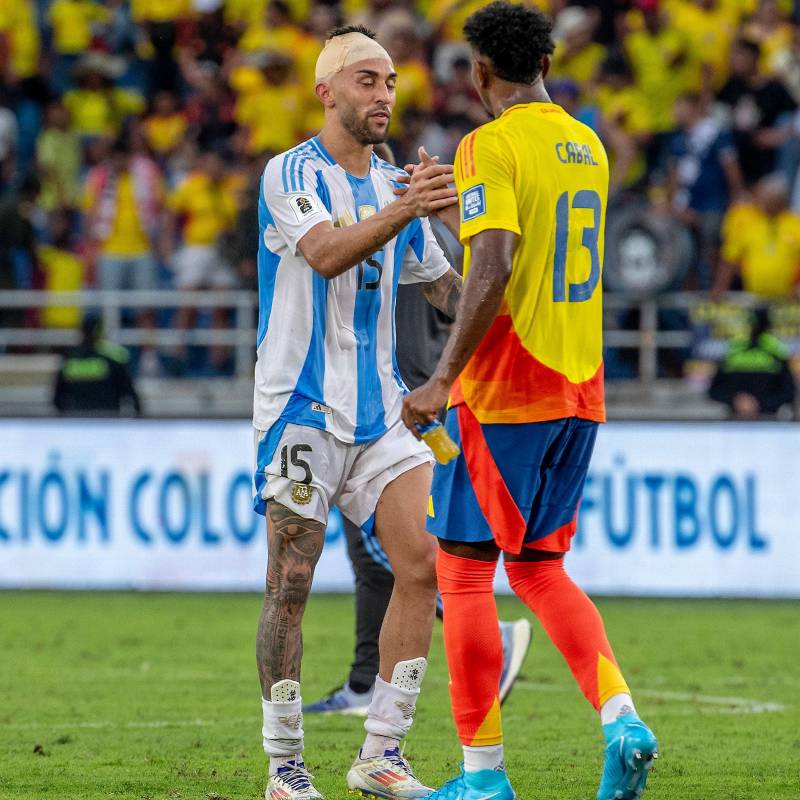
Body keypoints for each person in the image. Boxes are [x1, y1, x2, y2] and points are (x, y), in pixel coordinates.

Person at [401, 4, 659, 800]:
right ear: (543, 63)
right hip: (579, 386)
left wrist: (443, 377)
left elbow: (496, 266)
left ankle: (482, 779)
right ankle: (624, 721)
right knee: (542, 569)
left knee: (466, 573)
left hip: (507, 392)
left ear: (480, 72)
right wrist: (454, 209)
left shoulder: (490, 143)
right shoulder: (587, 145)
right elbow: (529, 241)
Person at [252, 24, 464, 800]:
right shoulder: (290, 173)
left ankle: (382, 753)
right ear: (328, 91)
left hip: (380, 416)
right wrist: (409, 208)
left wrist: (469, 231)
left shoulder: (393, 186)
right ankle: (285, 766)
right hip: (301, 411)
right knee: (293, 582)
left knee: (422, 566)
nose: (384, 95)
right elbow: (328, 252)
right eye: (368, 80)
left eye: (391, 82)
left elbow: (445, 289)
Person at [709, 307, 796, 418]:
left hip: (767, 418)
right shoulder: (735, 349)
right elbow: (714, 390)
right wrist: (737, 400)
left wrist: (757, 404)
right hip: (738, 418)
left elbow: (788, 392)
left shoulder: (776, 351)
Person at [53, 314, 141, 415]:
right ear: (100, 334)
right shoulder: (113, 360)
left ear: (82, 333)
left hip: (77, 422)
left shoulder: (69, 360)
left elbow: (57, 399)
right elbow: (130, 394)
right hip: (108, 422)